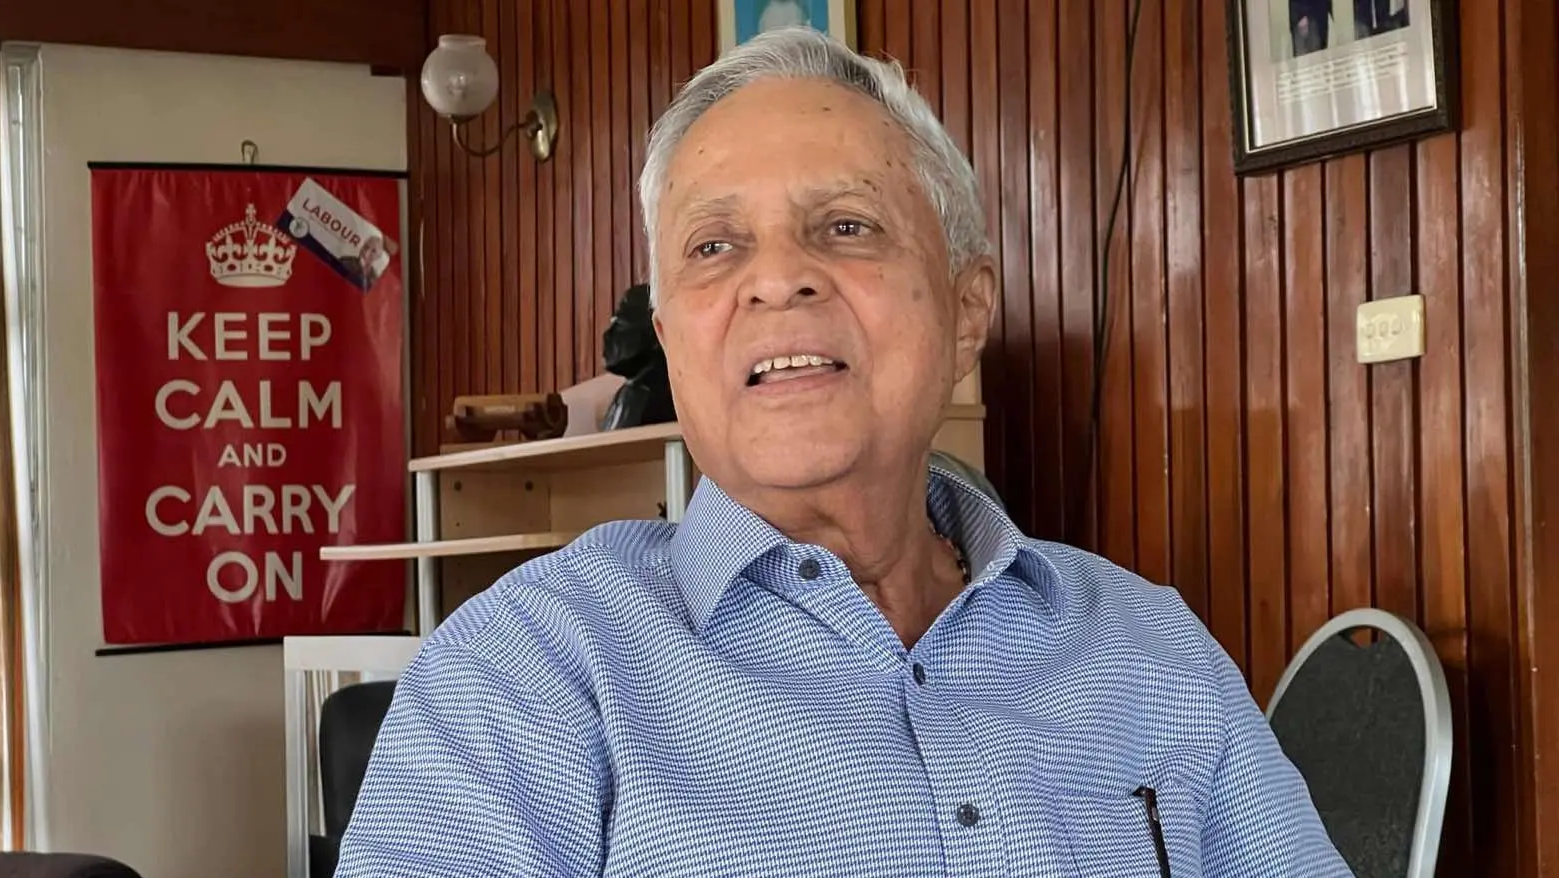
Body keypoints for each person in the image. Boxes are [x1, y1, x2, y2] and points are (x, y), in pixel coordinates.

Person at [335, 27, 1353, 878]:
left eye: (847, 225)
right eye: (713, 245)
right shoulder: (528, 671)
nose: (778, 280)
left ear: (966, 308)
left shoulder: (1148, 647)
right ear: (669, 332)